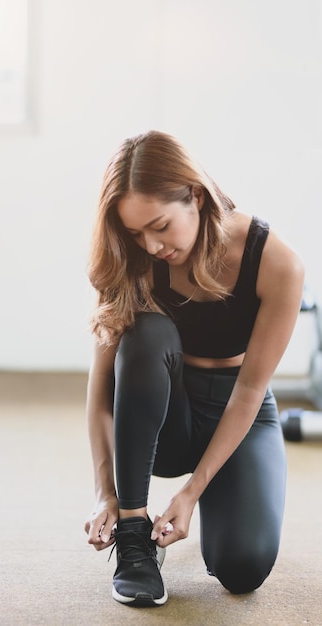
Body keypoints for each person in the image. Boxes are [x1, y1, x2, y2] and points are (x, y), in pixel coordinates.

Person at [84, 130, 304, 607]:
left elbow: (249, 393)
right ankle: (136, 537)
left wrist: (190, 493)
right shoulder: (135, 259)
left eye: (160, 226)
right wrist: (108, 493)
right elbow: (103, 389)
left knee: (243, 567)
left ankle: (215, 503)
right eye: (136, 233)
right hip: (163, 413)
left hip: (239, 413)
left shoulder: (276, 263)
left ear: (196, 196)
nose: (151, 245)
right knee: (146, 335)